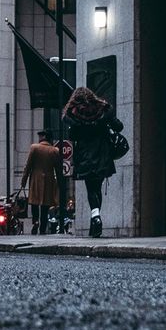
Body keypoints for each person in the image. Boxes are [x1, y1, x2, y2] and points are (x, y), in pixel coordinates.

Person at [63, 86, 123, 238]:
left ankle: (95, 218)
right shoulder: (101, 109)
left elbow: (72, 136)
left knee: (91, 188)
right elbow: (119, 126)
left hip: (85, 155)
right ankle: (95, 220)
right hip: (102, 153)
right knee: (97, 187)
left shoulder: (75, 113)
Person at [21, 129, 59, 235]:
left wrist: (23, 181)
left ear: (43, 137)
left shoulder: (34, 148)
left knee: (34, 202)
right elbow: (58, 168)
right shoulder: (54, 150)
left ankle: (35, 221)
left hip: (36, 179)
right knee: (45, 206)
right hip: (48, 179)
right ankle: (42, 227)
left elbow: (28, 166)